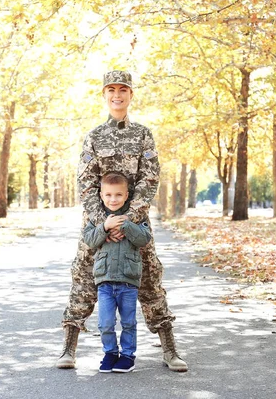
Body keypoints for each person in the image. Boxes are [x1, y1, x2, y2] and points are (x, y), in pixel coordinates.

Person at [56, 70, 188, 372]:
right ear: (104, 94)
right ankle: (68, 349)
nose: (117, 95)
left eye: (123, 90)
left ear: (130, 95)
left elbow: (150, 177)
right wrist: (105, 222)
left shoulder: (142, 134)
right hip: (96, 222)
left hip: (136, 222)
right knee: (83, 278)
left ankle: (170, 350)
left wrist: (127, 218)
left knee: (150, 280)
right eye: (111, 89)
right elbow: (85, 180)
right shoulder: (93, 137)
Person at [83, 172, 152, 373]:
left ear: (127, 194)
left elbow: (143, 238)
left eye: (118, 195)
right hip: (104, 281)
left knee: (128, 321)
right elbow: (89, 240)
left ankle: (128, 356)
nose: (113, 199)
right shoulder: (97, 218)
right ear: (101, 195)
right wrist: (105, 226)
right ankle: (110, 353)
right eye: (108, 195)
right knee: (105, 322)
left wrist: (125, 224)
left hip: (128, 280)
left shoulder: (136, 215)